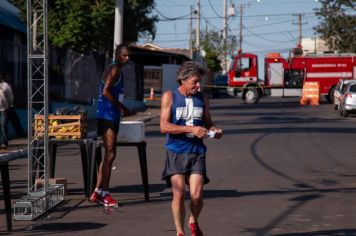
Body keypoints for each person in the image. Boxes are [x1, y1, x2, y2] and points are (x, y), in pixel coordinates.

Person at [160, 61, 223, 236]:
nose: (198, 85)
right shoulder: (169, 96)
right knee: (179, 194)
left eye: (199, 81)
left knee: (196, 195)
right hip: (176, 151)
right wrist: (190, 129)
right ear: (183, 80)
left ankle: (193, 220)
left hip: (197, 152)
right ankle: (180, 232)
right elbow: (164, 126)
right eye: (195, 81)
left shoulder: (202, 98)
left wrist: (215, 131)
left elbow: (208, 123)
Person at [90, 44, 135, 207]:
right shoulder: (114, 69)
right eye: (123, 55)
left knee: (108, 154)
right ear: (117, 55)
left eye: (128, 55)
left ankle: (97, 191)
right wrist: (123, 108)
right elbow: (106, 91)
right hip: (107, 115)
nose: (127, 58)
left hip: (110, 116)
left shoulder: (117, 70)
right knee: (110, 153)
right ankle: (106, 194)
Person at [0, 71, 14, 149]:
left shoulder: (6, 86)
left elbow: (11, 96)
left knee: (3, 125)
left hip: (4, 108)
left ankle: (4, 143)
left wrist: (9, 105)